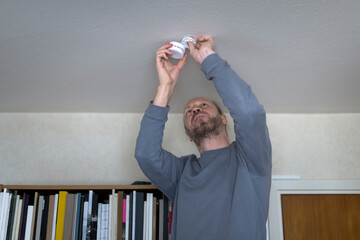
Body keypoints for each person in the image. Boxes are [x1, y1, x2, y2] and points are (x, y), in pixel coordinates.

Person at [135, 36, 272, 240]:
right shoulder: (182, 173)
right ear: (189, 135)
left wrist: (208, 58)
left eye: (204, 105)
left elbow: (249, 113)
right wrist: (165, 88)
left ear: (224, 119)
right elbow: (146, 155)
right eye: (188, 111)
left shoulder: (249, 159)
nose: (195, 109)